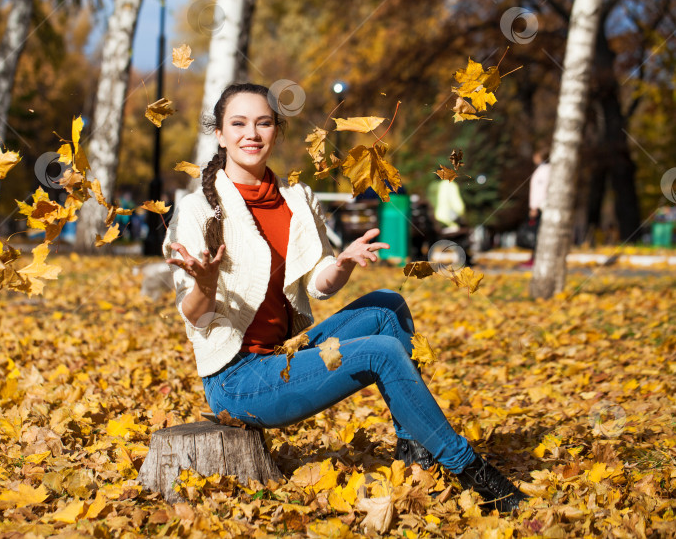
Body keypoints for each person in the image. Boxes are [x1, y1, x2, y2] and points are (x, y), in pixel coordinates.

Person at [162, 83, 527, 512]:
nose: (252, 134)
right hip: (237, 381)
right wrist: (204, 284)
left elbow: (318, 282)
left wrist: (344, 263)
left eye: (263, 123)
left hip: (284, 353)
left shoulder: (296, 199)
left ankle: (415, 454)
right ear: (220, 134)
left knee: (388, 305)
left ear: (276, 130)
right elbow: (195, 317)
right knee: (382, 352)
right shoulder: (198, 210)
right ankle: (474, 473)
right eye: (238, 123)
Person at [519, 149, 550, 268]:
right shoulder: (543, 170)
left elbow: (540, 191)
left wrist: (534, 206)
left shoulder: (544, 171)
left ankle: (536, 258)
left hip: (541, 206)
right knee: (538, 233)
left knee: (537, 233)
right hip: (541, 205)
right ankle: (535, 257)